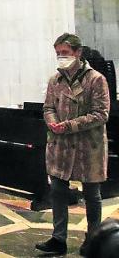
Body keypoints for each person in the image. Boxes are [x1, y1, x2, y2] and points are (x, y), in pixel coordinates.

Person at [35, 32, 110, 256]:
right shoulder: (55, 79)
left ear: (78, 53)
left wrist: (68, 125)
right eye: (58, 53)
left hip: (88, 145)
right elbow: (48, 107)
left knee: (91, 194)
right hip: (61, 145)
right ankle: (58, 239)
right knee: (57, 190)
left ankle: (93, 239)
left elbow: (101, 114)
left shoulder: (96, 79)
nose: (61, 57)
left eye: (65, 53)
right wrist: (53, 122)